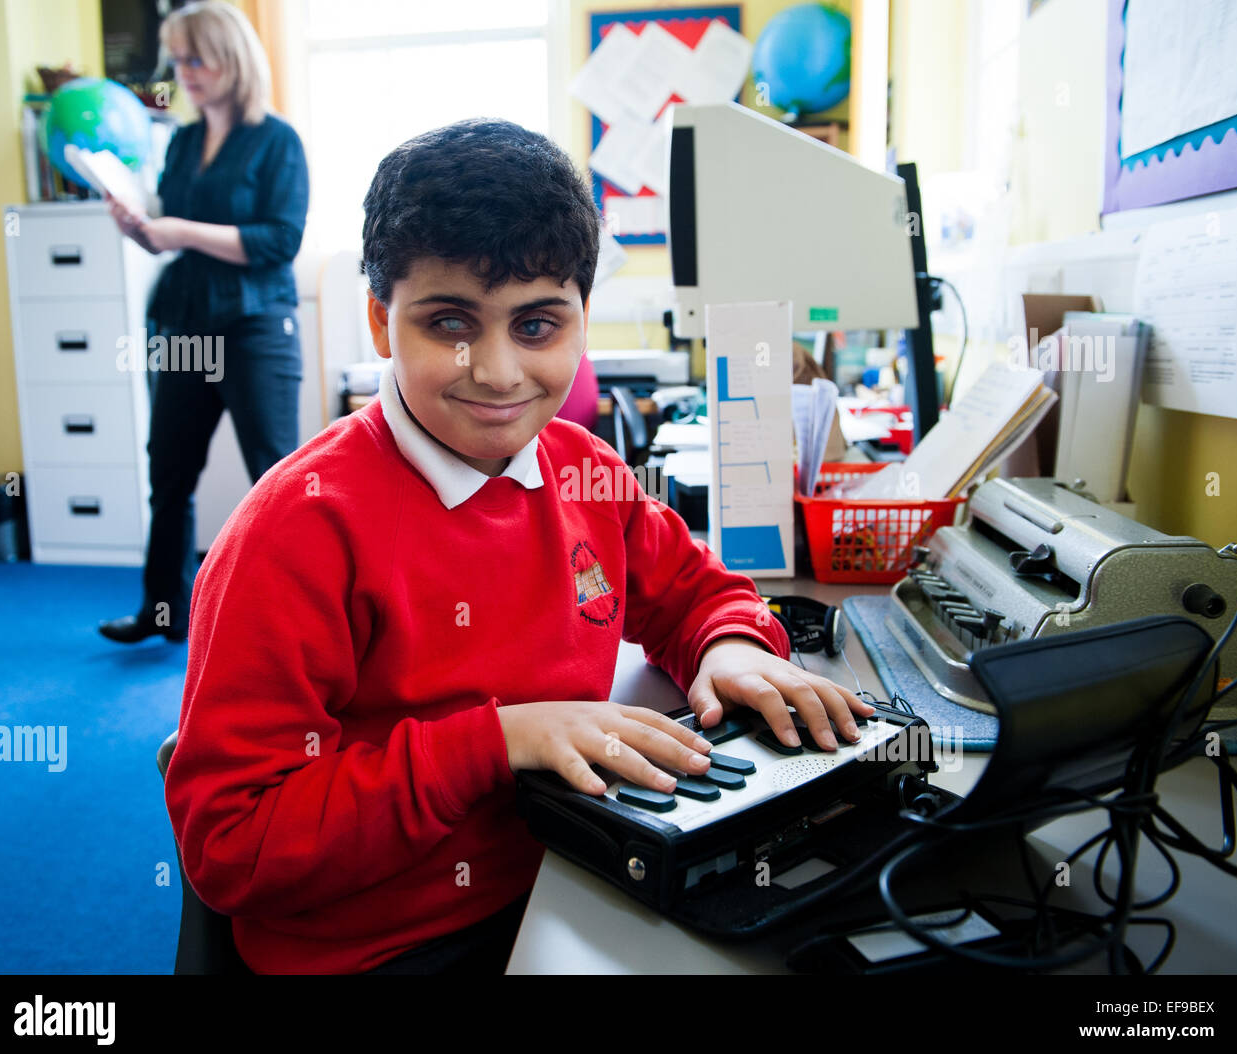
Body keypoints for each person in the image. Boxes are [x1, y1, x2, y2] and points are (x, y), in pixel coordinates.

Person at [164, 118, 873, 975]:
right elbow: (232, 841)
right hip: (386, 945)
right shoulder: (296, 530)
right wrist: (494, 744)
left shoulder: (586, 471)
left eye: (537, 325)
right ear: (381, 322)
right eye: (449, 322)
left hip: (571, 879)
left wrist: (728, 647)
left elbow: (696, 591)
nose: (497, 371)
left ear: (582, 320)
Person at [98, 0, 309, 643]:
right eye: (178, 60)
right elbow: (167, 239)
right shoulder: (185, 142)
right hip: (187, 322)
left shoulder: (277, 140)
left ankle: (298, 623)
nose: (183, 72)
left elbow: (280, 241)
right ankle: (163, 611)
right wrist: (138, 228)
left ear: (231, 59)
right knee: (169, 470)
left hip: (254, 325)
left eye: (196, 59)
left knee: (274, 476)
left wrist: (181, 229)